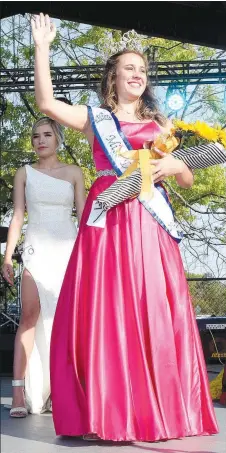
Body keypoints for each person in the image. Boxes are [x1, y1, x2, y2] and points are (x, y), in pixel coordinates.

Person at [32, 13, 218, 441]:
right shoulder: (95, 118)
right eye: (128, 69)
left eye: (142, 70)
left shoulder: (163, 126)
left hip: (150, 220)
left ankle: (160, 409)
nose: (137, 75)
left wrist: (173, 164)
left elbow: (186, 177)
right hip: (110, 219)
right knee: (109, 309)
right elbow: (46, 104)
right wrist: (43, 47)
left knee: (151, 305)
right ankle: (109, 411)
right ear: (113, 79)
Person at [2, 116, 86, 417]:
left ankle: (60, 390)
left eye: (47, 134)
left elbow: (84, 216)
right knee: (29, 316)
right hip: (35, 249)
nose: (40, 140)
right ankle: (18, 393)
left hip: (67, 249)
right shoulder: (23, 173)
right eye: (36, 136)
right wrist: (8, 256)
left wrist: (87, 255)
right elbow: (18, 217)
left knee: (66, 322)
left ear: (58, 138)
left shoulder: (75, 172)